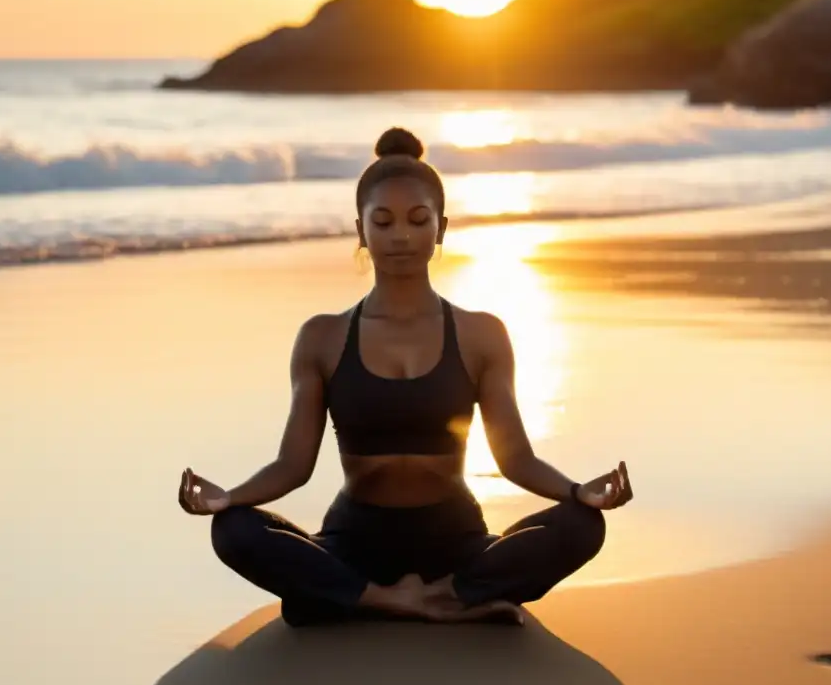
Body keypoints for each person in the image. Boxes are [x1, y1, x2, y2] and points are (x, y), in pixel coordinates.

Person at [178, 127, 635, 627]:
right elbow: (292, 465)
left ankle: (394, 595)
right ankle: (414, 600)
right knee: (233, 531)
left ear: (441, 228)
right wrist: (229, 498)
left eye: (418, 221)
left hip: (456, 541)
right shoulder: (322, 338)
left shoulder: (481, 334)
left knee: (583, 527)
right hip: (354, 540)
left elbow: (516, 458)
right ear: (361, 230)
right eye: (384, 221)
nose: (400, 236)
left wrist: (578, 493)